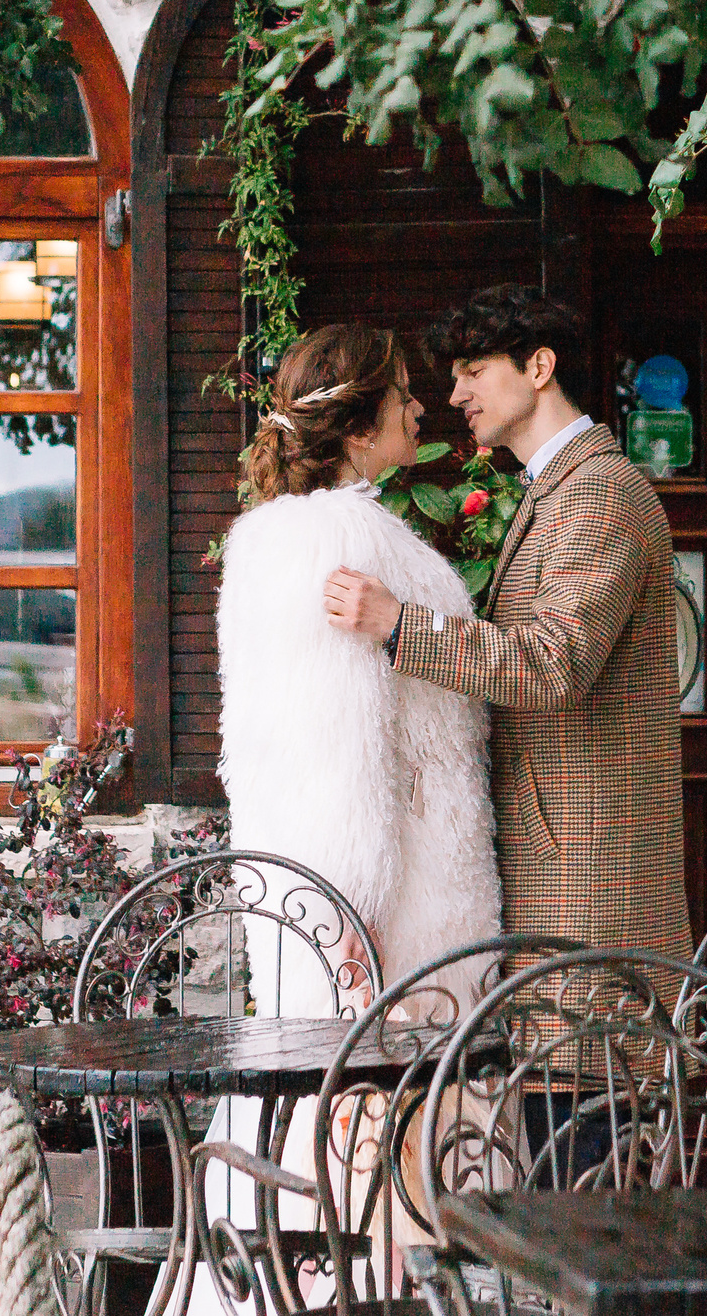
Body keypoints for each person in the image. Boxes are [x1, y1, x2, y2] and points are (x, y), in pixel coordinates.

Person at [321, 284, 691, 961]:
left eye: (475, 371)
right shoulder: (557, 486)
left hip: (587, 867)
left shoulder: (598, 492)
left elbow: (553, 664)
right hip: (559, 850)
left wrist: (401, 625)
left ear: (539, 368)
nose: (456, 394)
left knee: (581, 1036)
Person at [216, 322, 501, 1008]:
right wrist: (350, 910)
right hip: (393, 912)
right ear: (361, 429)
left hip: (366, 886)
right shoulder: (339, 539)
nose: (421, 407)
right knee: (398, 1070)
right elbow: (332, 739)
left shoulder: (286, 536)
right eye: (403, 394)